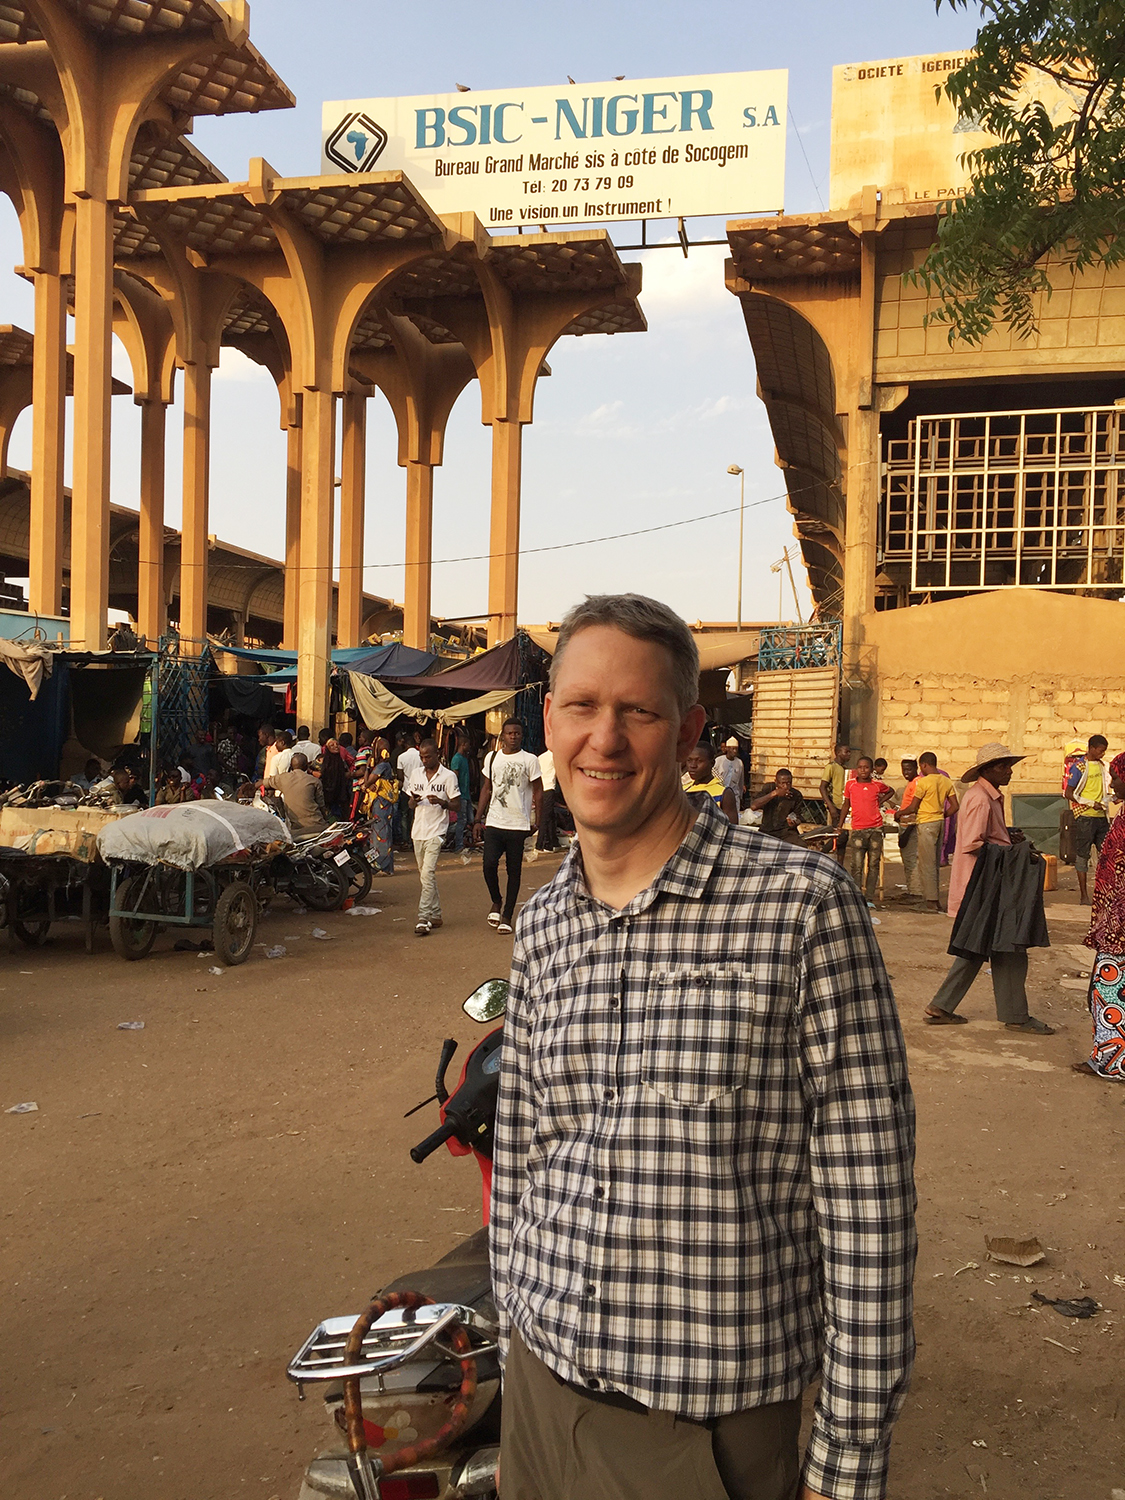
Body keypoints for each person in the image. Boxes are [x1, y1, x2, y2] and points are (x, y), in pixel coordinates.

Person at [491, 592, 916, 1500]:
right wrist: (510, 1337)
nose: (602, 739)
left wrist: (844, 1466)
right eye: (580, 706)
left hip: (702, 1439)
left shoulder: (799, 907)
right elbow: (525, 1155)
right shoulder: (542, 922)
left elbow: (867, 1202)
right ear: (548, 721)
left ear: (687, 734)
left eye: (635, 712)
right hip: (538, 1399)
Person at [924, 743, 1054, 1035]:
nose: (1009, 771)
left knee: (976, 947)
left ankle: (942, 1006)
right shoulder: (981, 799)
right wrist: (1012, 851)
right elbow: (974, 843)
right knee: (1008, 945)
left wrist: (1008, 836)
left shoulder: (988, 797)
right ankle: (1016, 1016)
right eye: (1003, 766)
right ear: (986, 770)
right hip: (985, 885)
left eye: (1009, 766)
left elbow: (988, 837)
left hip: (989, 883)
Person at [1076, 750, 1125, 1080]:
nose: (1112, 781)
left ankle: (1111, 1062)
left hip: (1119, 927)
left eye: (1116, 776)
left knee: (1110, 991)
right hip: (1115, 920)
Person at [474, 717, 542, 935]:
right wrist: (477, 819)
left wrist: (538, 820)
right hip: (494, 821)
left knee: (514, 871)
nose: (514, 737)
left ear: (522, 735)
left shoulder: (530, 760)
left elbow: (538, 791)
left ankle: (507, 916)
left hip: (518, 824)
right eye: (510, 733)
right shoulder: (492, 758)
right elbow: (486, 788)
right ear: (502, 736)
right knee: (488, 864)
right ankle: (496, 900)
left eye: (517, 733)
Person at [404, 739, 460, 936]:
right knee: (424, 876)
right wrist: (413, 800)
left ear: (437, 754)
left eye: (428, 756)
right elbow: (410, 804)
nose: (424, 760)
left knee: (427, 873)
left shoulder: (448, 776)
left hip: (436, 831)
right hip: (418, 830)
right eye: (422, 757)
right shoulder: (416, 774)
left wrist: (442, 802)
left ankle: (423, 917)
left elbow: (457, 804)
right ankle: (436, 914)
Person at [897, 752, 958, 912]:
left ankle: (930, 901)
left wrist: (899, 813)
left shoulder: (923, 783)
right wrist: (942, 815)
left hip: (926, 823)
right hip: (940, 822)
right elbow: (955, 806)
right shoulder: (946, 781)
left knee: (926, 863)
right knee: (935, 862)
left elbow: (913, 807)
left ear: (923, 765)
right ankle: (935, 898)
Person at [841, 755, 895, 904]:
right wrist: (839, 825)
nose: (863, 770)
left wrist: (880, 801)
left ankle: (869, 897)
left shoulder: (877, 785)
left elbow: (891, 791)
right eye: (860, 767)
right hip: (858, 829)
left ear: (871, 770)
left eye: (866, 767)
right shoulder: (850, 785)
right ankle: (857, 896)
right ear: (856, 769)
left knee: (873, 864)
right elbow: (846, 804)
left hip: (875, 829)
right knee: (856, 865)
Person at [1067, 734, 1112, 905]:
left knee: (1106, 856)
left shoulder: (1102, 766)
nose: (1102, 754)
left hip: (1101, 817)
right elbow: (1069, 793)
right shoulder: (1079, 768)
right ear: (1092, 748)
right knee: (1082, 856)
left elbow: (1104, 792)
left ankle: (1104, 894)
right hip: (1085, 816)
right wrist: (1091, 803)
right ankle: (1084, 896)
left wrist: (1109, 800)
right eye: (1100, 751)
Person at [264, 752, 328, 836]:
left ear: (291, 765)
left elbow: (266, 782)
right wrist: (326, 822)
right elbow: (321, 806)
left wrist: (252, 786)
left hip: (297, 830)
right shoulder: (314, 781)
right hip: (318, 827)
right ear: (306, 766)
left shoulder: (283, 778)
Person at [361, 737, 397, 875]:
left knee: (381, 834)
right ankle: (376, 865)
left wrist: (368, 768)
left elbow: (368, 782)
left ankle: (382, 866)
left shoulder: (382, 766)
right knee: (375, 834)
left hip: (381, 804)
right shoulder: (383, 765)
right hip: (379, 804)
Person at [683, 742, 738, 824]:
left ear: (712, 763)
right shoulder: (683, 790)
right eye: (689, 760)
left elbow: (732, 829)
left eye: (699, 761)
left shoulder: (724, 794)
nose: (693, 765)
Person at [750, 767, 806, 845]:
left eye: (789, 783)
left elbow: (798, 817)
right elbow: (753, 806)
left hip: (785, 833)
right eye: (782, 783)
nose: (786, 786)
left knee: (801, 846)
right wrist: (774, 793)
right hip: (766, 831)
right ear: (776, 782)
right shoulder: (769, 788)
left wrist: (794, 822)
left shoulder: (796, 795)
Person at [819, 742, 850, 861]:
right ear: (837, 753)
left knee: (844, 837)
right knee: (840, 835)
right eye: (846, 752)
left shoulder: (845, 769)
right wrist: (830, 806)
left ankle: (840, 865)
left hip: (844, 806)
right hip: (835, 806)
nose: (849, 755)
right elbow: (822, 787)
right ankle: (823, 853)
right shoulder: (831, 767)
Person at [450, 732, 474, 852]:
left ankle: (468, 842)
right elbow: (454, 778)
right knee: (461, 820)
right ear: (463, 745)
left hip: (466, 794)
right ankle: (458, 845)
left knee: (470, 820)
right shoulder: (457, 759)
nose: (469, 747)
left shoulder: (464, 759)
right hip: (461, 795)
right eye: (468, 745)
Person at [317, 738, 350, 820]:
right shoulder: (321, 762)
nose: (336, 747)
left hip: (340, 797)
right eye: (332, 745)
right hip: (327, 798)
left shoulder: (341, 762)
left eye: (337, 744)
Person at [536, 746, 561, 851]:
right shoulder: (555, 757)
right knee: (546, 818)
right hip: (549, 787)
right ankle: (541, 844)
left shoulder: (540, 757)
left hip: (542, 788)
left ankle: (553, 843)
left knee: (550, 816)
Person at [713, 736, 745, 801]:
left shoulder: (739, 763)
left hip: (734, 795)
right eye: (732, 749)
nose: (735, 751)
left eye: (736, 749)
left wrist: (741, 796)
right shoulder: (719, 760)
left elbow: (741, 781)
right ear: (727, 748)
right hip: (720, 794)